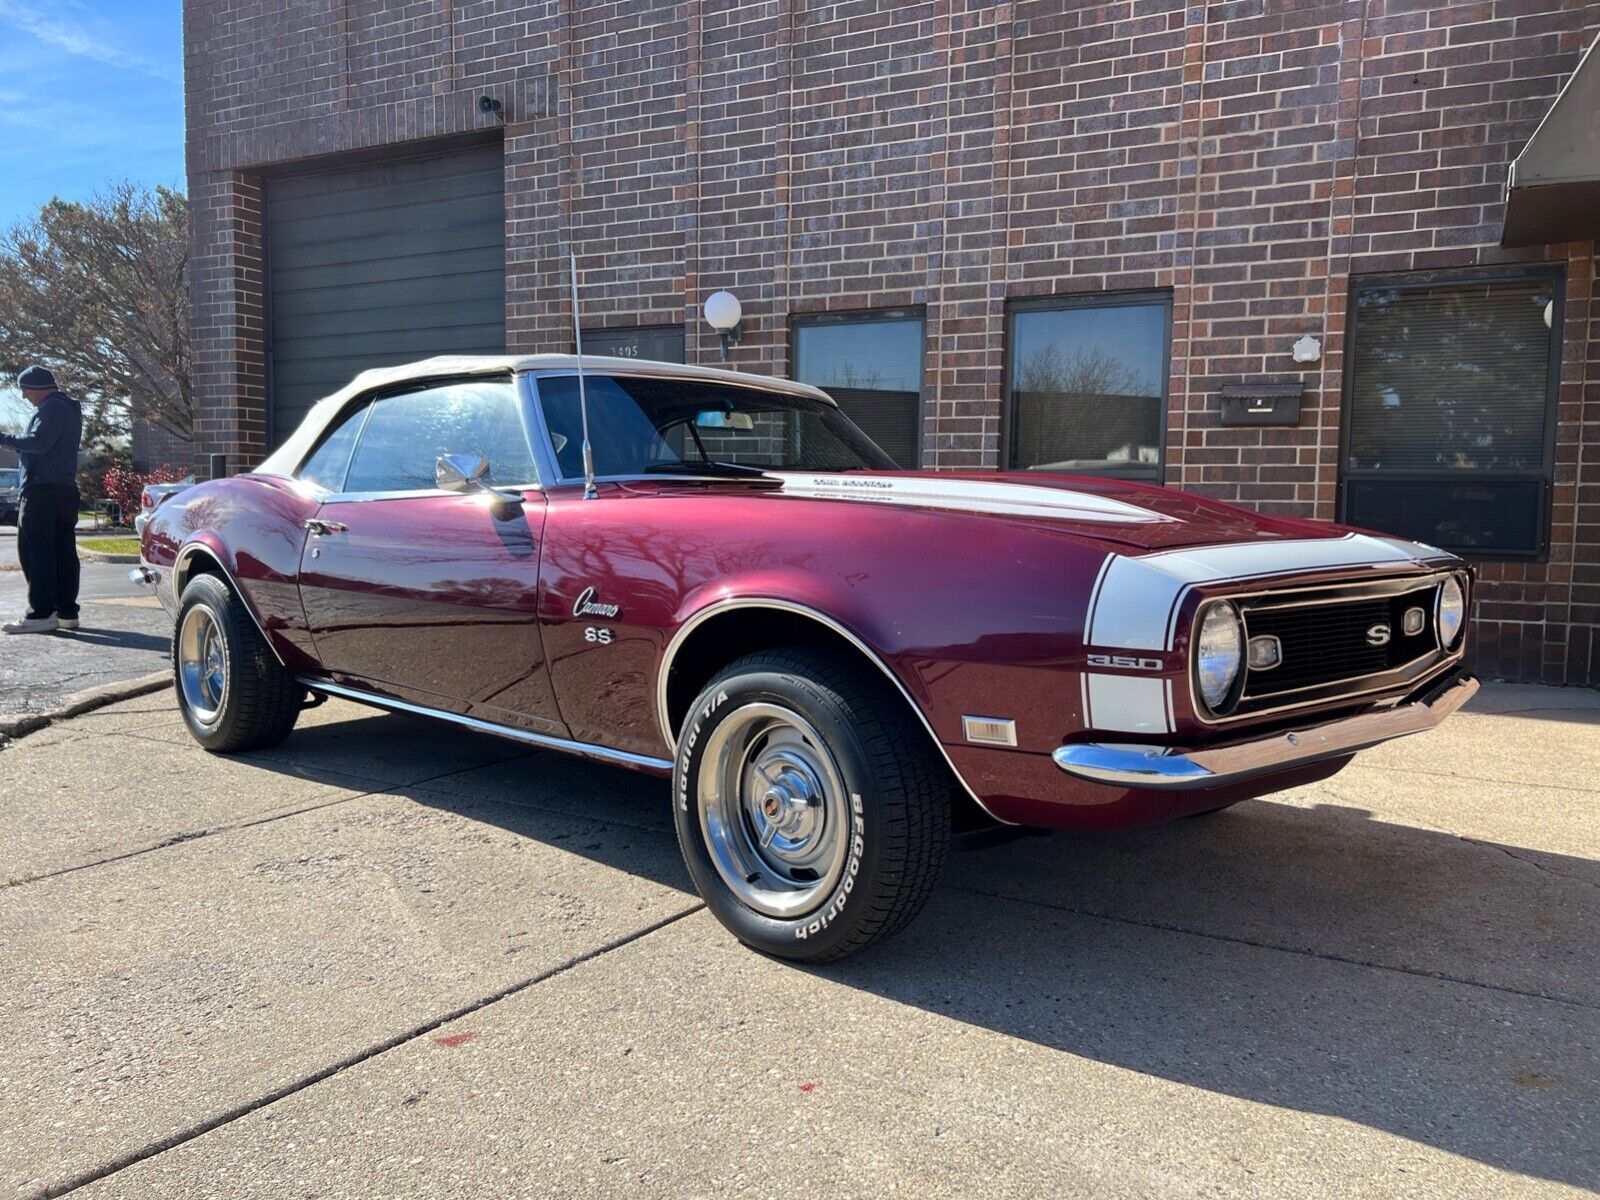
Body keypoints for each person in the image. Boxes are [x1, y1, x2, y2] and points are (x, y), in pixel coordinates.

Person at [1, 366, 83, 634]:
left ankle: (41, 613)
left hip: (41, 491)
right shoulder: (68, 409)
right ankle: (66, 612)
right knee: (63, 552)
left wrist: (5, 439)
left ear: (36, 387)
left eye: (25, 389)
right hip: (64, 489)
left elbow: (39, 442)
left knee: (36, 552)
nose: (24, 396)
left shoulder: (51, 408)